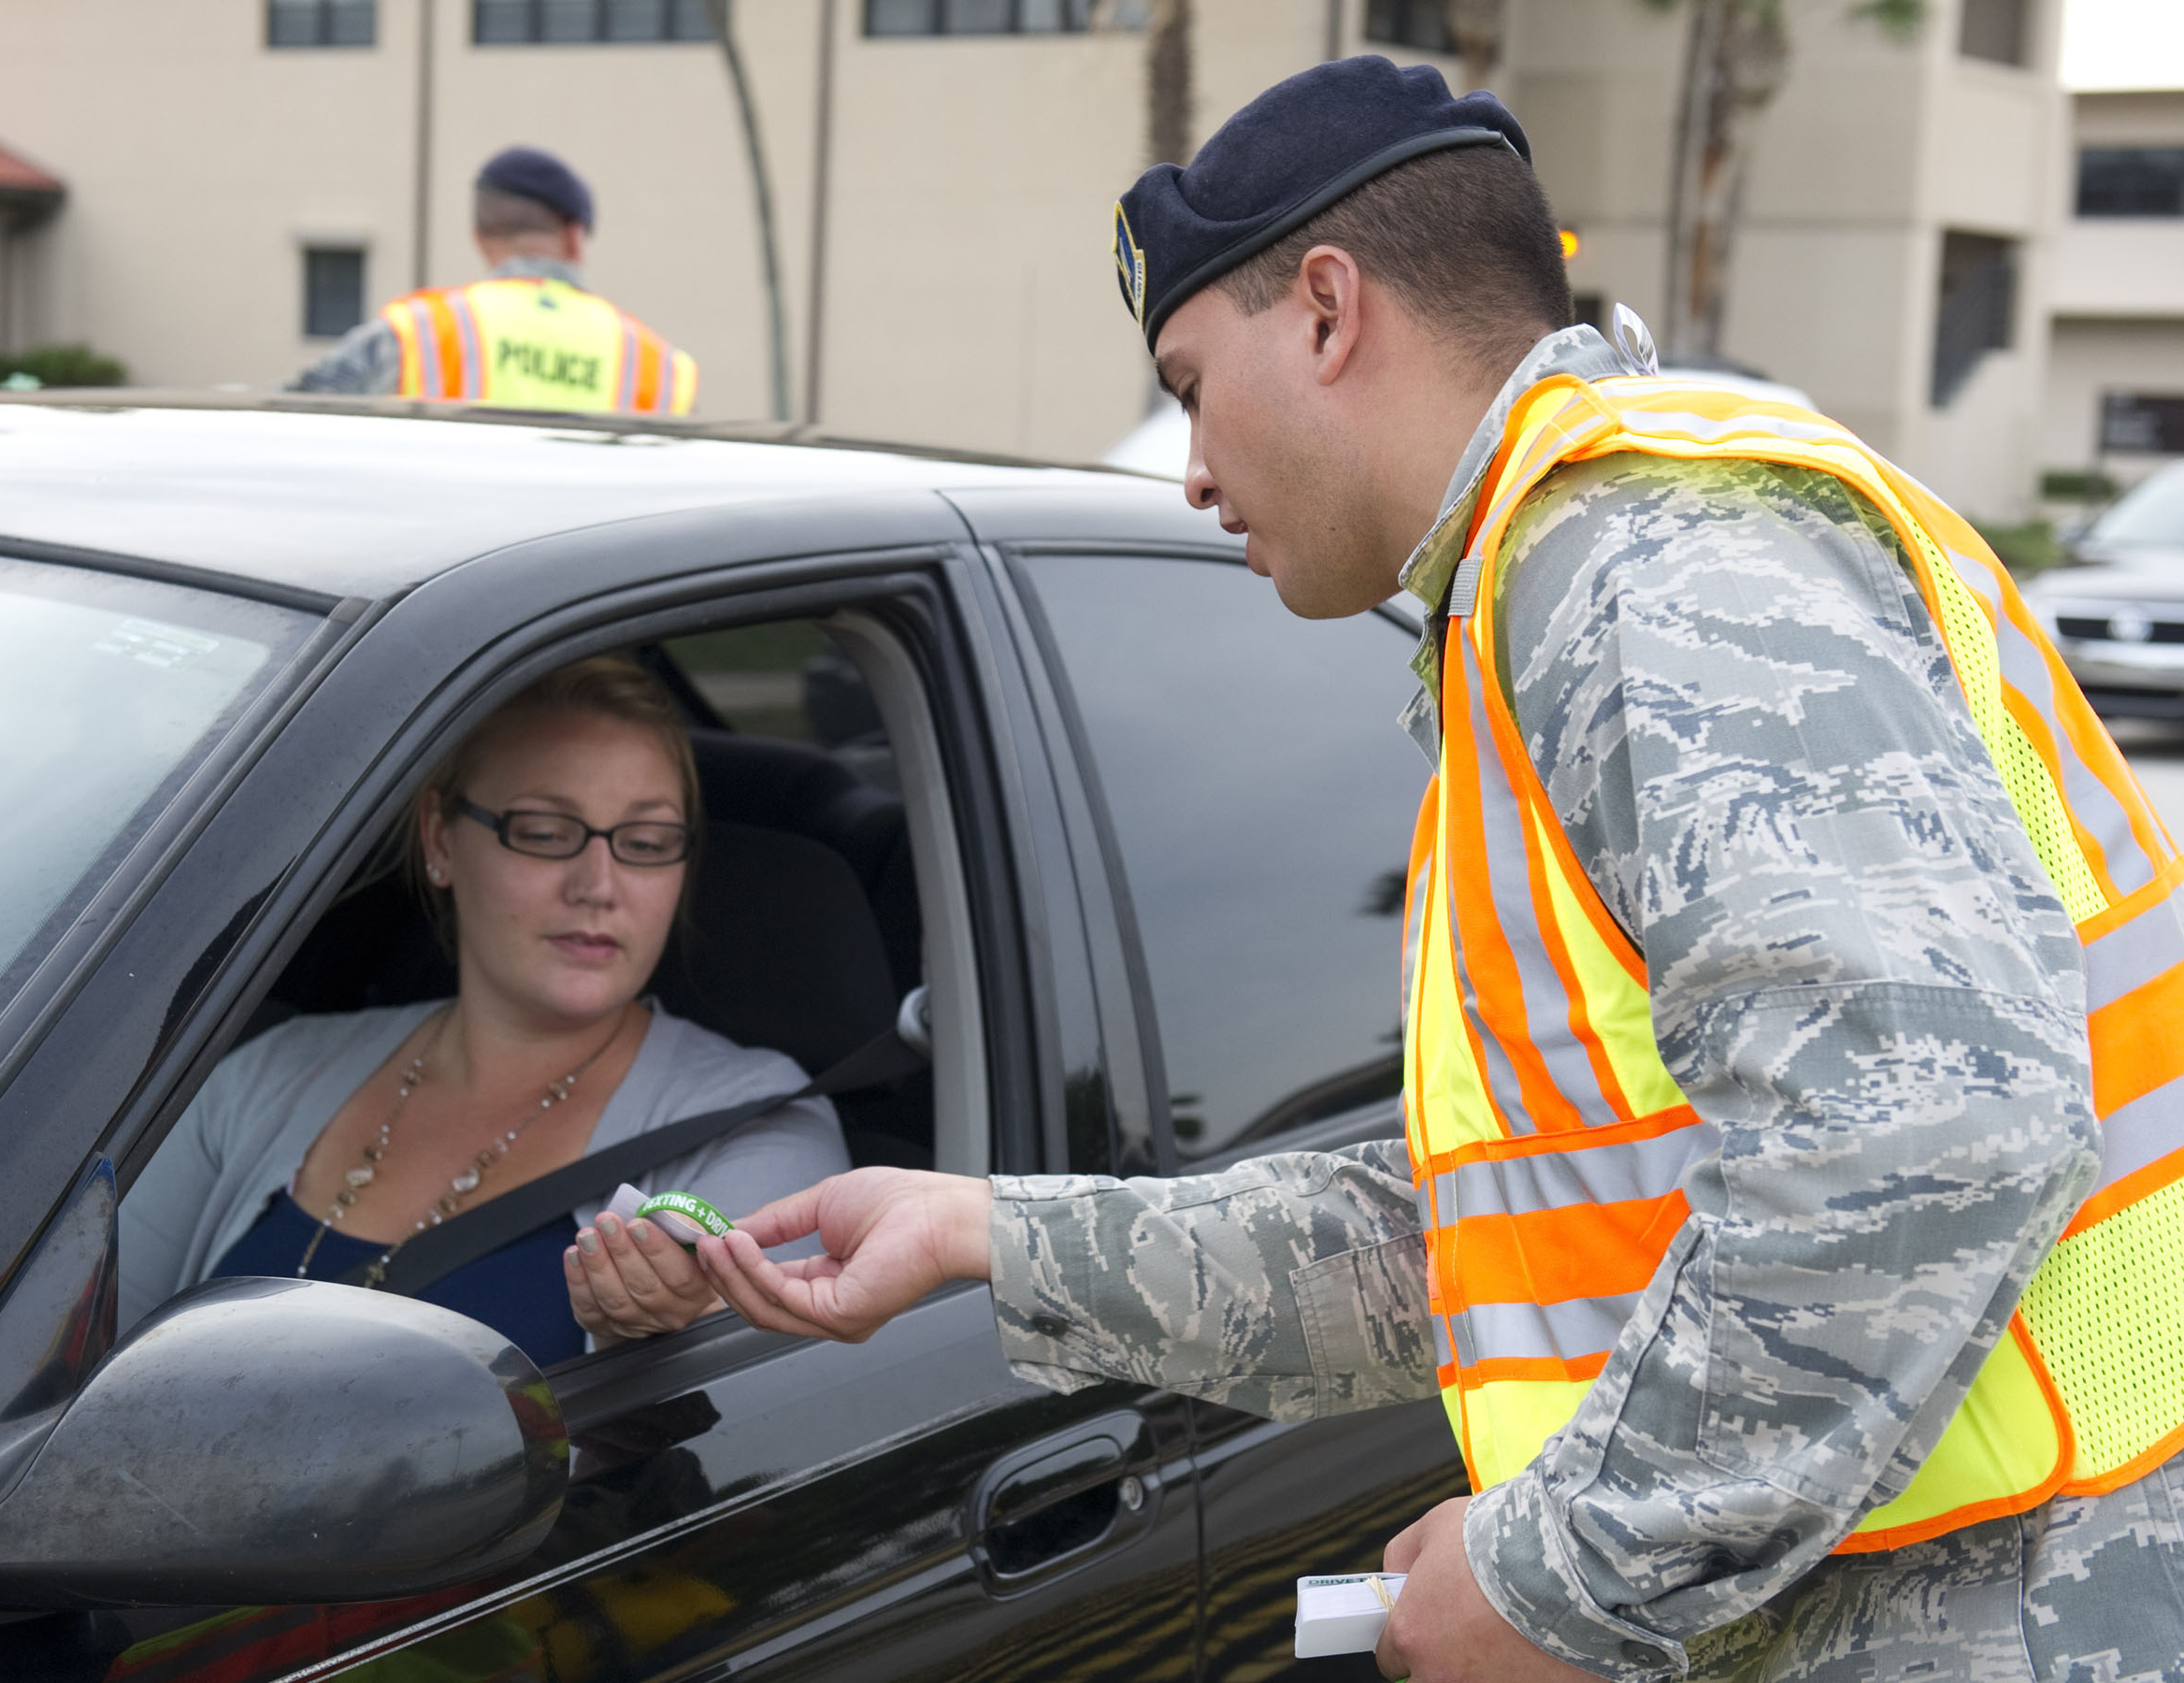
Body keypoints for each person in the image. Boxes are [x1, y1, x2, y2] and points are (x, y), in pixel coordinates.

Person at [697, 56, 2184, 1683]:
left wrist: (1560, 1576)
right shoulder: (1544, 595)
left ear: (1326, 311)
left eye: (1192, 385)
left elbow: (1927, 1115)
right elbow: (1488, 1232)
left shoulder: (1643, 574)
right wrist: (987, 1234)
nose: (1189, 472)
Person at [122, 655, 847, 1359]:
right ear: (440, 838)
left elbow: (752, 1427)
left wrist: (661, 1340)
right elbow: (72, 1352)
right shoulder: (265, 1074)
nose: (599, 885)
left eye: (647, 842)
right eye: (543, 832)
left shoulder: (758, 1123)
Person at [289, 145, 697, 415]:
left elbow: (293, 413)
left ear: (481, 238)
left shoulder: (416, 332)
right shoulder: (658, 365)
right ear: (574, 236)